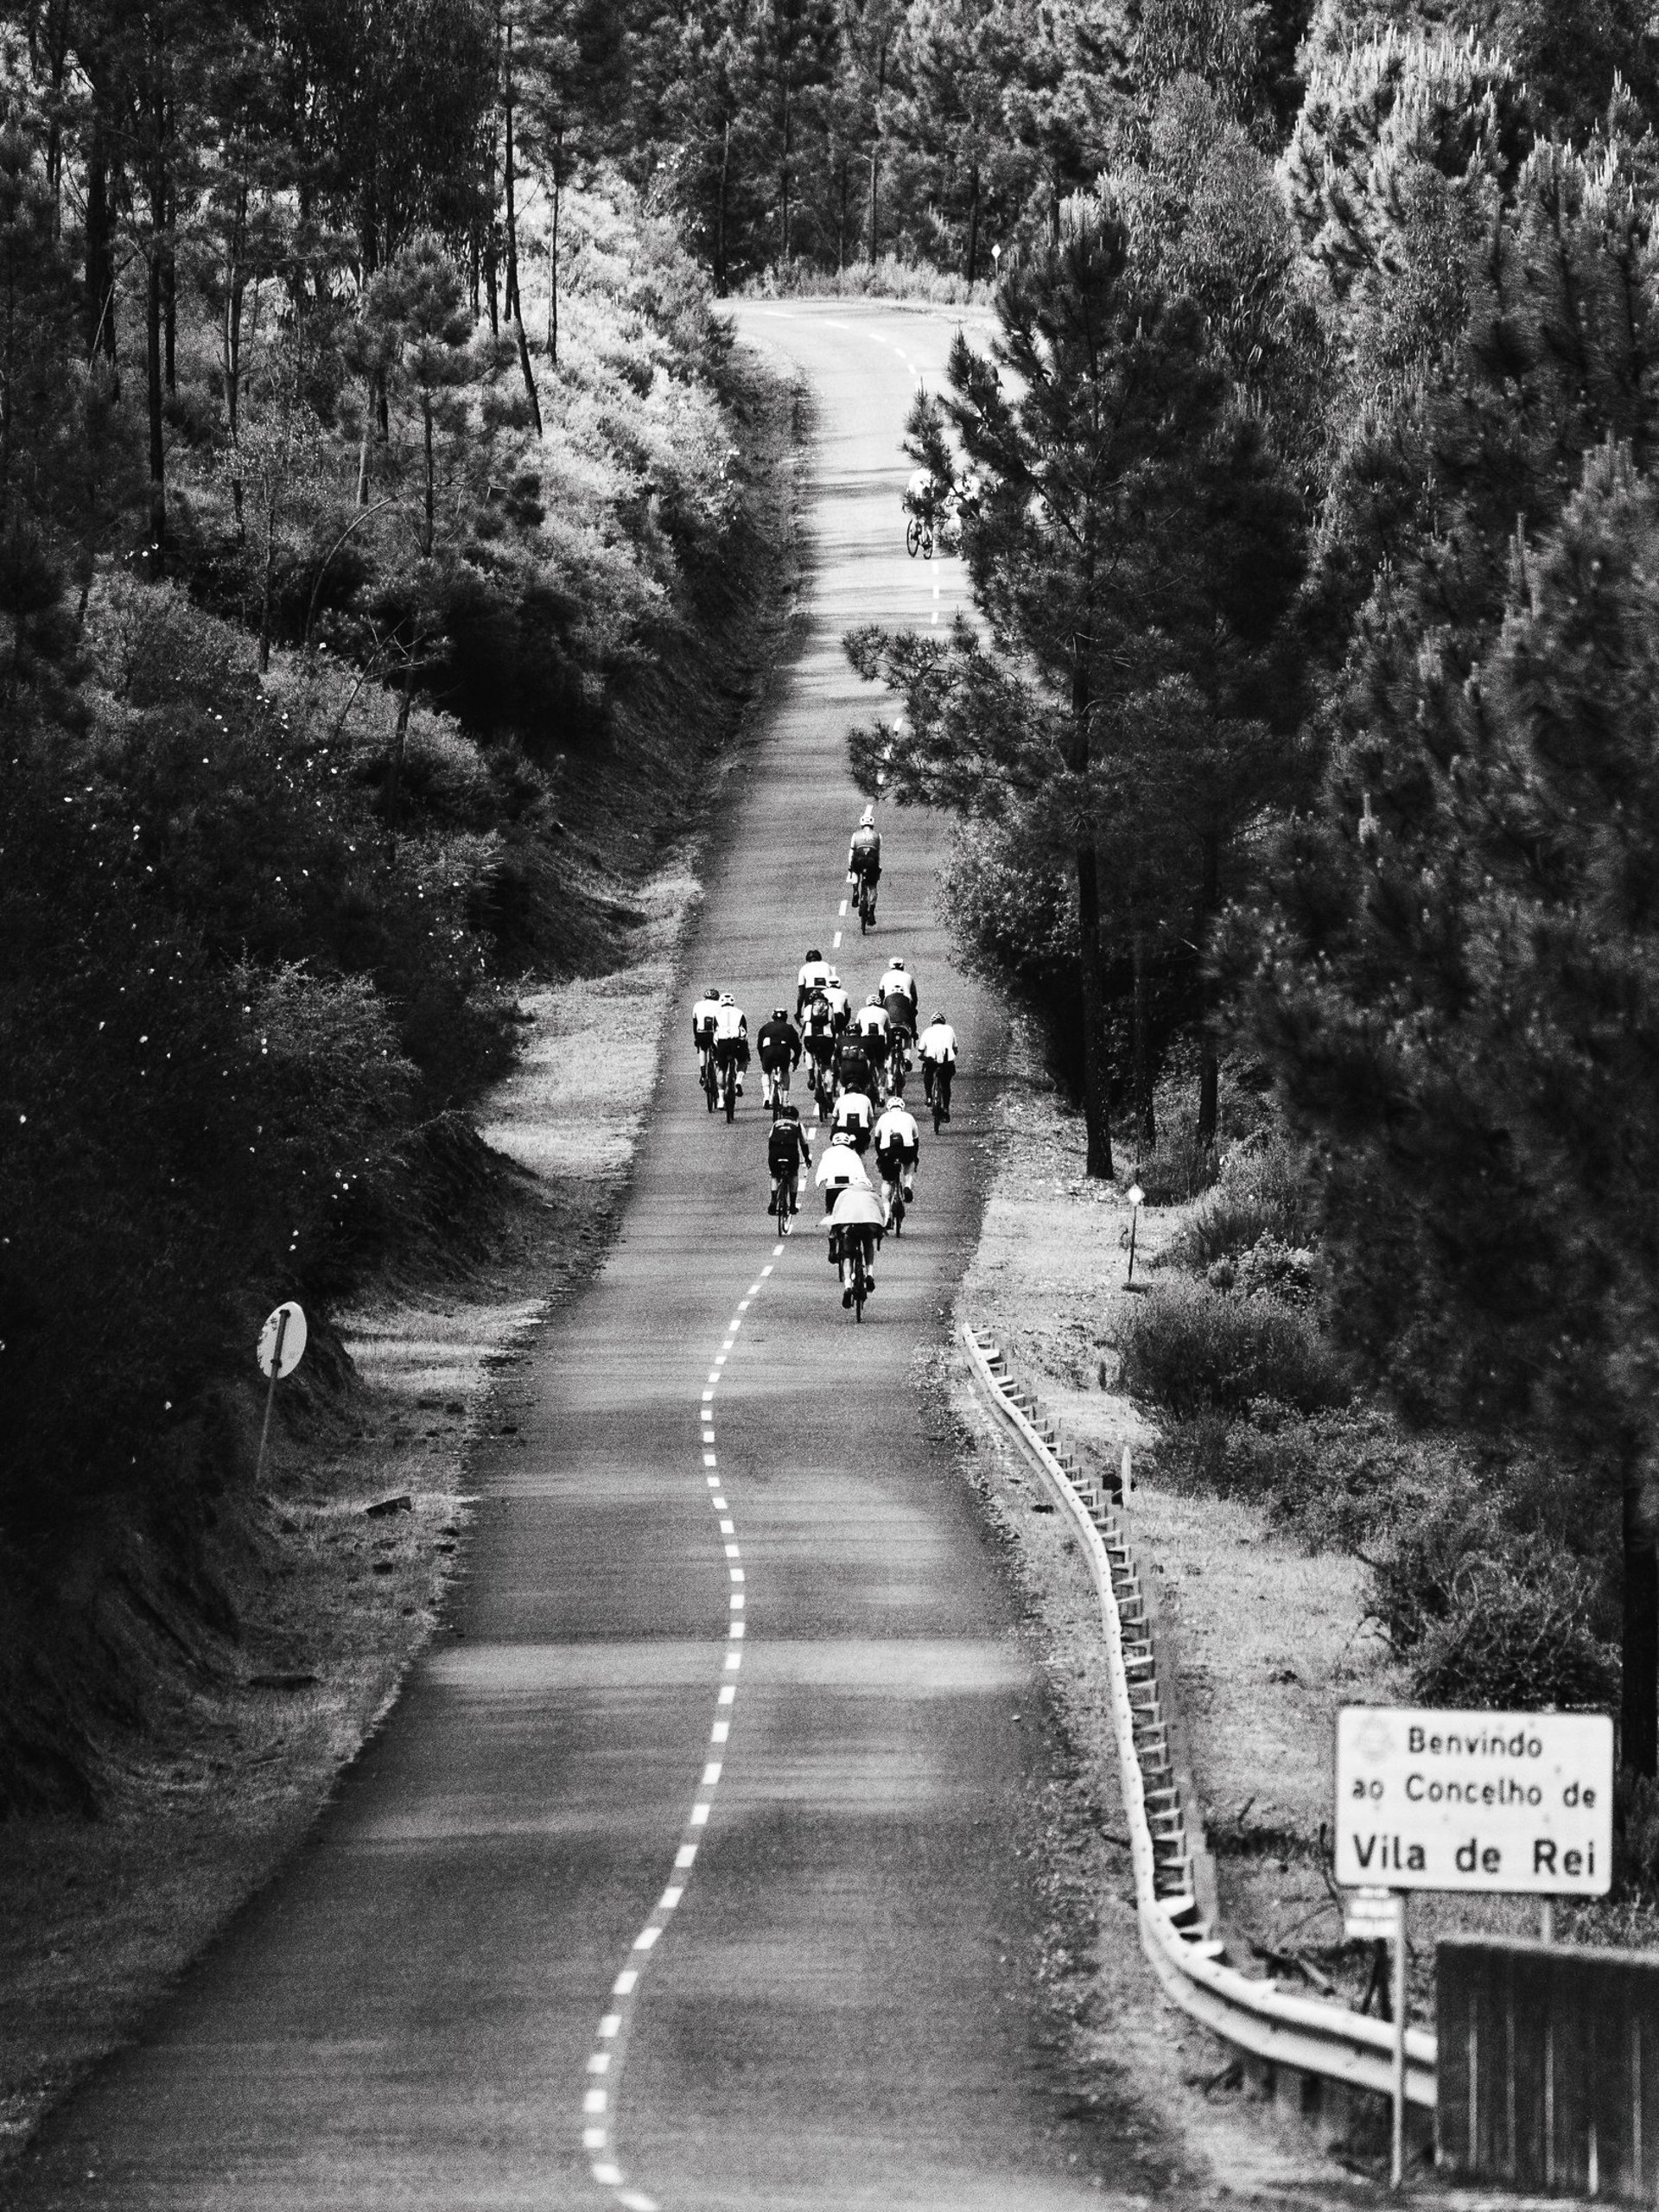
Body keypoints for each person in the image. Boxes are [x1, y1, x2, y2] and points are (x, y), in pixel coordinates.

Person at [827, 1182, 887, 1306]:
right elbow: (882, 1214)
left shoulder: (844, 1194)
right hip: (868, 1225)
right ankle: (869, 1274)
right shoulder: (873, 1195)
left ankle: (848, 1285)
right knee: (868, 1244)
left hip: (850, 1226)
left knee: (847, 1254)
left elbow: (835, 1214)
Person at [873, 1096, 920, 1212]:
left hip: (888, 1151)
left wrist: (880, 1157)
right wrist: (914, 1156)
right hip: (906, 1149)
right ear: (902, 1107)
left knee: (887, 1181)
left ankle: (887, 1214)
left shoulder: (883, 1118)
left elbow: (877, 1139)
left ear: (888, 1107)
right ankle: (907, 1186)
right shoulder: (909, 1117)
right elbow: (916, 1139)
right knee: (908, 1165)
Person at [767, 1103, 812, 1217]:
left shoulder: (776, 1124)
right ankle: (792, 1205)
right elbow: (804, 1144)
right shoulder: (798, 1125)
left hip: (775, 1152)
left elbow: (770, 1140)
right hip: (790, 1152)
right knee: (793, 1175)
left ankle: (773, 1200)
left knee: (774, 1176)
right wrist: (807, 1159)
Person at [757, 1005, 801, 1108]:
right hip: (783, 1052)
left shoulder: (766, 1026)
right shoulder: (789, 1027)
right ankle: (785, 1100)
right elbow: (797, 1046)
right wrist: (795, 1059)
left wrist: (762, 1058)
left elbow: (759, 1045)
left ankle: (767, 1096)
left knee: (766, 1072)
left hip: (768, 1052)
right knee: (785, 1072)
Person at [918, 1009, 957, 1119]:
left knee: (928, 1074)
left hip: (932, 1060)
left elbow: (920, 1053)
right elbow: (955, 1048)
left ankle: (929, 1097)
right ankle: (945, 1107)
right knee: (946, 1084)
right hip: (947, 1061)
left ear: (932, 1023)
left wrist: (924, 1058)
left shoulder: (927, 1031)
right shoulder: (950, 1029)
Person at [713, 992, 749, 1098]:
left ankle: (721, 1099)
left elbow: (714, 1032)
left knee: (721, 1069)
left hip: (722, 1042)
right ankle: (738, 1081)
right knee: (743, 1061)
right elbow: (744, 1032)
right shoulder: (740, 1013)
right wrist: (746, 1051)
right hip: (737, 1042)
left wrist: (715, 1050)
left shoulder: (717, 1014)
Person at [852, 994, 891, 1090]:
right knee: (881, 1066)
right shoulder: (884, 1012)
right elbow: (888, 1031)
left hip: (865, 1039)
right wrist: (888, 1048)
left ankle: (864, 1083)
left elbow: (856, 1028)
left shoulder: (862, 1011)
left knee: (865, 1062)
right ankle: (881, 1092)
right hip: (879, 1039)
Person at [847, 807, 880, 910]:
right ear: (872, 824)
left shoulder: (856, 834)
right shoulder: (877, 835)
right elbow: (878, 853)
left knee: (855, 872)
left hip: (859, 859)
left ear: (861, 824)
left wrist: (850, 867)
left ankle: (856, 890)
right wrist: (877, 867)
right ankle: (871, 912)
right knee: (873, 885)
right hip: (871, 860)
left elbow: (852, 851)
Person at [691, 983, 722, 1090]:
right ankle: (719, 1071)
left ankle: (703, 1073)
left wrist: (696, 1038)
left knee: (702, 1049)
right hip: (715, 1033)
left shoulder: (697, 1005)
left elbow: (695, 1023)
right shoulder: (720, 1005)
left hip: (702, 1033)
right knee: (718, 1051)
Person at [878, 957, 919, 1035]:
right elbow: (914, 998)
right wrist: (913, 1009)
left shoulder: (885, 976)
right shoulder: (909, 976)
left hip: (889, 1003)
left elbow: (881, 996)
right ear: (902, 965)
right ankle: (913, 1032)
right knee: (912, 1013)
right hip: (906, 1003)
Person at [830, 1084, 874, 1154]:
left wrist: (832, 1134)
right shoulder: (866, 1099)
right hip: (861, 1131)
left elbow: (833, 1122)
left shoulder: (840, 1100)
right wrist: (867, 1131)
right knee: (862, 1147)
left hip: (844, 1130)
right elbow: (871, 1121)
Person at [796, 946, 832, 1020]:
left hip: (810, 992)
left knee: (808, 1016)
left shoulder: (804, 968)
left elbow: (801, 993)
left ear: (807, 960)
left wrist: (799, 1012)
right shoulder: (826, 965)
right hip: (825, 991)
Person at [822, 968, 851, 1038]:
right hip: (838, 1016)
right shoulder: (844, 993)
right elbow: (848, 1011)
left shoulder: (822, 993)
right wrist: (844, 1024)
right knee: (839, 1037)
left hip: (826, 1016)